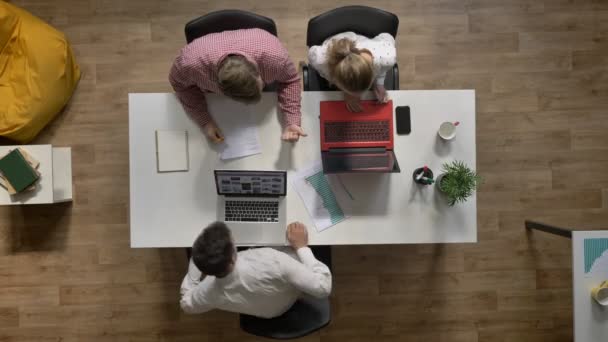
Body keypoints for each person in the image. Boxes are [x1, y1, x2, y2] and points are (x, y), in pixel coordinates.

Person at [169, 28, 307, 143]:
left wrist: (292, 121)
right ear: (220, 87)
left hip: (261, 43)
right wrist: (205, 122)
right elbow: (181, 86)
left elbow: (290, 80)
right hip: (203, 55)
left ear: (258, 72)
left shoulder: (275, 59)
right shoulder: (190, 66)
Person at [180, 221, 332, 318]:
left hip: (265, 312)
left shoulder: (207, 291)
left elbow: (186, 303)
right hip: (283, 305)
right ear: (233, 256)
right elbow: (323, 288)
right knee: (292, 248)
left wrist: (198, 255)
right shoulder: (272, 260)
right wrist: (302, 247)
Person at [308, 32, 396, 112]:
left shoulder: (387, 57)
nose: (359, 96)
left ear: (372, 72)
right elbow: (311, 51)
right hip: (331, 39)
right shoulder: (320, 60)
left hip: (366, 41)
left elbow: (388, 36)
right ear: (335, 80)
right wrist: (347, 93)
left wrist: (379, 83)